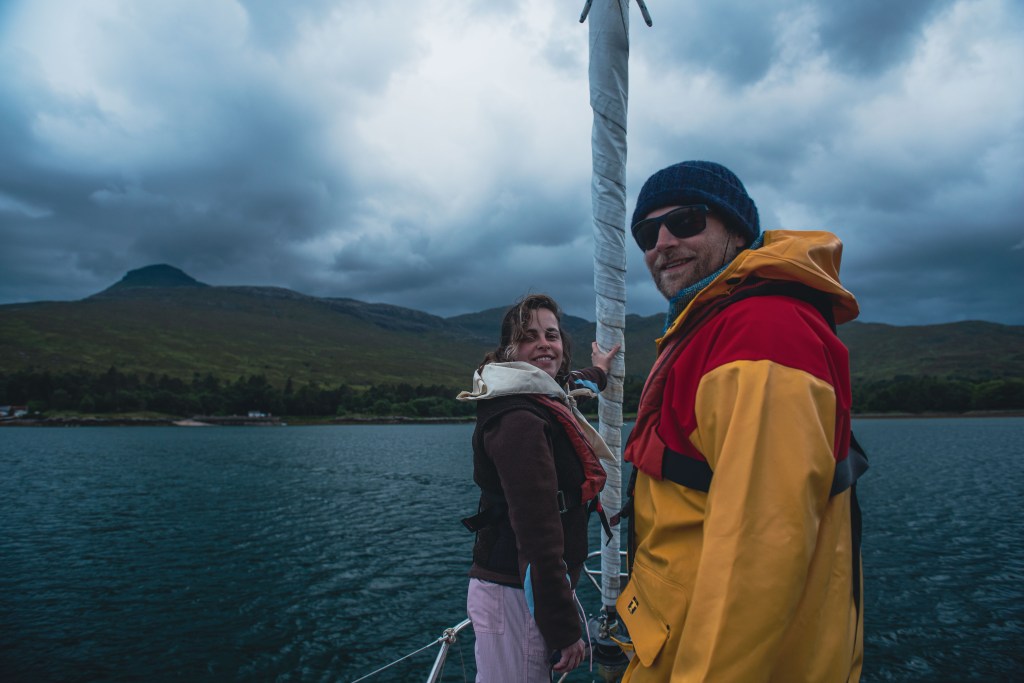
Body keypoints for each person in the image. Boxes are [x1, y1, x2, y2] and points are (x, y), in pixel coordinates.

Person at [616, 161, 867, 681]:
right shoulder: (716, 327)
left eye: (685, 221)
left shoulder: (761, 335)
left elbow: (757, 560)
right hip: (673, 644)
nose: (662, 243)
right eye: (646, 233)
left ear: (736, 229)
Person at [457, 294, 621, 682]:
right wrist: (562, 629)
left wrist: (600, 370)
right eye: (529, 337)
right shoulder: (519, 420)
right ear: (509, 351)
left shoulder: (542, 391)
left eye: (551, 335)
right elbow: (537, 536)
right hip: (514, 595)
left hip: (527, 590)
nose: (544, 344)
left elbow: (576, 383)